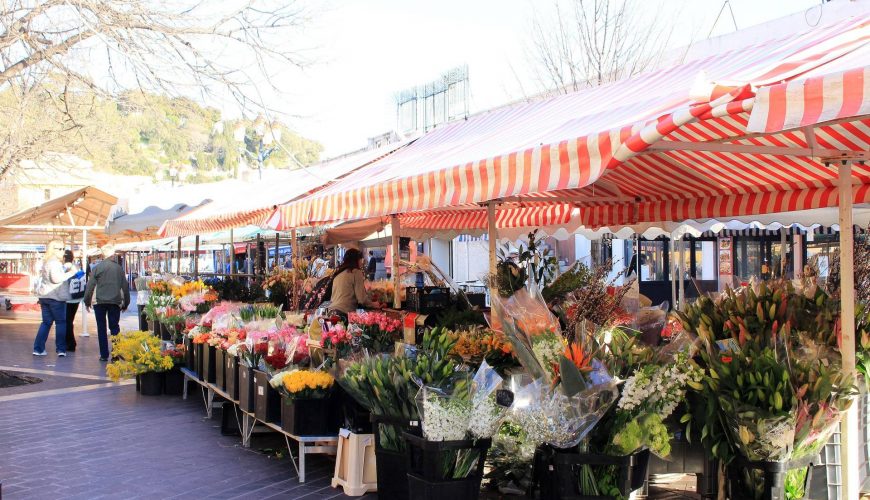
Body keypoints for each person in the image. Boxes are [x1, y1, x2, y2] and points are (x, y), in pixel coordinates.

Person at [83, 245, 130, 362]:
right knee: (114, 328)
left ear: (103, 255)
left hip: (99, 302)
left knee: (101, 328)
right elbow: (125, 287)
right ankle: (115, 354)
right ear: (112, 255)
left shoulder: (97, 268)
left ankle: (104, 355)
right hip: (115, 301)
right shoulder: (119, 269)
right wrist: (126, 303)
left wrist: (87, 301)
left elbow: (90, 286)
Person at [33, 240, 79, 357]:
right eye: (60, 249)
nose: (63, 251)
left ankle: (38, 348)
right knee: (61, 323)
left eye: (63, 249)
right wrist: (71, 272)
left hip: (46, 297)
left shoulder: (47, 262)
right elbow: (56, 279)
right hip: (56, 298)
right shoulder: (54, 262)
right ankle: (61, 349)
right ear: (53, 250)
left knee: (46, 323)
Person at [329, 248, 376, 315]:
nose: (361, 262)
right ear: (356, 260)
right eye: (360, 259)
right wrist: (373, 304)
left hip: (331, 311)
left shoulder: (339, 273)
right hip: (344, 312)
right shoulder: (356, 272)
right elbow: (361, 299)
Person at [63, 250, 87, 352]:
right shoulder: (76, 267)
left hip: (67, 298)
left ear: (64, 258)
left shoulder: (64, 268)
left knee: (66, 321)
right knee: (70, 320)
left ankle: (70, 343)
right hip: (77, 298)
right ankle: (70, 342)